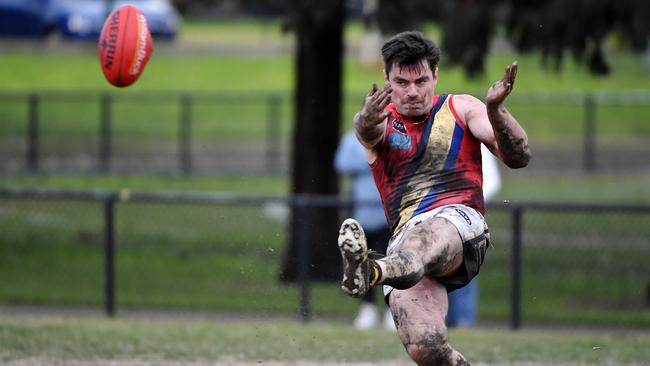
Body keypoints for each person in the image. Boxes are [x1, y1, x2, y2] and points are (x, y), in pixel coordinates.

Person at [337, 31, 530, 365]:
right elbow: (366, 129)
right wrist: (367, 120)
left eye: (421, 81)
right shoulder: (379, 121)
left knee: (419, 243)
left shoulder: (463, 108)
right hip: (405, 244)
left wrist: (496, 110)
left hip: (460, 224)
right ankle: (375, 270)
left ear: (435, 75)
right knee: (426, 348)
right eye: (401, 82)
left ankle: (369, 271)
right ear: (386, 79)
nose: (412, 92)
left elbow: (519, 156)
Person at [335, 130, 395, 330]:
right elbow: (342, 163)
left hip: (389, 215)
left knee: (389, 262)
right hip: (362, 214)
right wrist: (372, 159)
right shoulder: (351, 140)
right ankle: (367, 308)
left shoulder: (395, 137)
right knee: (361, 262)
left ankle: (391, 310)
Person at [446, 144, 501, 329]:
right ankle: (439, 320)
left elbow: (492, 181)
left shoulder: (475, 141)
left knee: (464, 266)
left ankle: (463, 321)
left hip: (466, 217)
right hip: (436, 215)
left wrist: (469, 203)